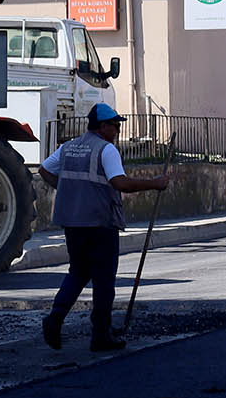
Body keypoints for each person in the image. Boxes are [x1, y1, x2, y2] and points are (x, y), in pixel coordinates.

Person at [38, 103, 169, 352]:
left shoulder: (69, 146)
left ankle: (55, 318)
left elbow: (45, 170)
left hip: (73, 222)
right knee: (104, 279)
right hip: (100, 223)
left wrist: (69, 192)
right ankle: (100, 336)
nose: (118, 130)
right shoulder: (106, 150)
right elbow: (120, 183)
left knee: (77, 272)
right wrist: (155, 184)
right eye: (115, 125)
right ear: (102, 126)